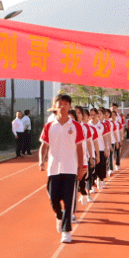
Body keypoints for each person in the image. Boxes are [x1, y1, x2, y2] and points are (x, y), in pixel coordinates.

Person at [38, 93, 86, 243]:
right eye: (60, 103)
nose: (62, 106)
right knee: (53, 199)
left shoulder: (76, 126)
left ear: (70, 107)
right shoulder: (49, 126)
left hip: (70, 168)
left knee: (68, 199)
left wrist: (80, 167)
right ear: (55, 106)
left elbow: (79, 148)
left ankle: (66, 231)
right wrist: (41, 161)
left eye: (65, 104)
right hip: (53, 168)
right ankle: (59, 215)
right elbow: (43, 146)